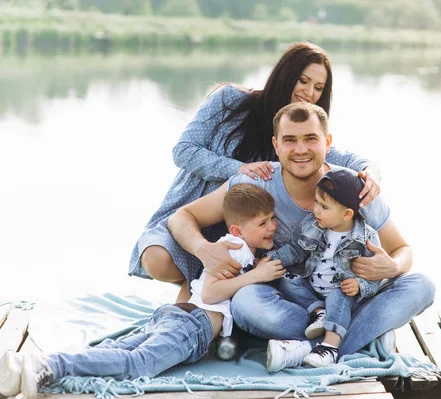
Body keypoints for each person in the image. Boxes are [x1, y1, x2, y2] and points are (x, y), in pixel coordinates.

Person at [167, 102, 436, 373]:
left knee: (422, 286)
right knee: (245, 303)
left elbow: (402, 249)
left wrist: (394, 265)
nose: (300, 149)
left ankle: (314, 346)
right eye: (290, 140)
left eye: (310, 139)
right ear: (276, 145)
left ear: (327, 142)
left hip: (351, 293)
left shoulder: (353, 186)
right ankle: (351, 338)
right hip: (296, 303)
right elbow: (181, 218)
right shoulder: (257, 181)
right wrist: (203, 249)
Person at [129, 42, 382, 303]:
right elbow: (183, 150)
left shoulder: (296, 140)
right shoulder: (230, 100)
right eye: (303, 80)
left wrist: (370, 171)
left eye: (318, 88)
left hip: (243, 231)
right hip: (197, 209)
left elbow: (341, 156)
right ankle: (198, 291)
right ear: (285, 75)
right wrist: (237, 169)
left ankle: (200, 306)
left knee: (210, 292)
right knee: (155, 259)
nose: (309, 92)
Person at [0, 184, 285, 399]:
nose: (272, 226)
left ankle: (27, 365)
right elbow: (211, 294)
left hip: (180, 319)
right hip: (192, 325)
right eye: (263, 223)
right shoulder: (232, 249)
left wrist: (254, 268)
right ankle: (49, 366)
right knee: (139, 364)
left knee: (115, 350)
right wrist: (256, 276)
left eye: (272, 219)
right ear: (237, 230)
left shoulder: (243, 251)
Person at [264, 168, 384, 368]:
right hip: (313, 288)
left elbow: (375, 278)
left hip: (342, 294)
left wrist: (360, 285)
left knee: (338, 295)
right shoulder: (312, 224)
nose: (316, 210)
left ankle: (329, 347)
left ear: (346, 214)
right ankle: (320, 312)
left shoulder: (366, 238)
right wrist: (271, 259)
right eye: (316, 203)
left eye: (324, 207)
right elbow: (296, 250)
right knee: (289, 280)